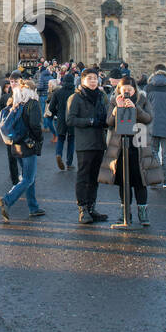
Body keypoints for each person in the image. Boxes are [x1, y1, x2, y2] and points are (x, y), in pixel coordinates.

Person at [98, 77, 161, 226]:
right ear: (119, 89)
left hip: (138, 145)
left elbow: (148, 118)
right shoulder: (114, 100)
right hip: (120, 145)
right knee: (123, 181)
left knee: (140, 180)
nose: (126, 91)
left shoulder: (142, 99)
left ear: (135, 89)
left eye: (129, 89)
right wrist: (115, 111)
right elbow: (108, 122)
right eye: (123, 89)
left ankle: (143, 213)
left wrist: (135, 108)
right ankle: (125, 212)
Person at [67, 67, 110, 224]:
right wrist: (90, 121)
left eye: (95, 78)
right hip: (84, 143)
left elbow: (105, 115)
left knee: (94, 177)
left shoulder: (101, 96)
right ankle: (82, 209)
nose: (93, 81)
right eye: (90, 78)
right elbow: (70, 120)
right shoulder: (76, 98)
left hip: (99, 142)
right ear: (83, 80)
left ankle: (92, 207)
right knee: (83, 177)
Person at [0, 78, 44, 220]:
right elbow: (35, 125)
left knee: (29, 177)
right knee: (28, 178)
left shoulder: (16, 102)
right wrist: (39, 138)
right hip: (28, 145)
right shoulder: (32, 103)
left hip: (16, 144)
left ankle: (33, 207)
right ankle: (7, 199)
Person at [47, 71, 76, 171]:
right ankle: (69, 162)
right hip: (72, 119)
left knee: (60, 138)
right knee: (71, 141)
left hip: (61, 118)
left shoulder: (58, 92)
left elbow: (51, 108)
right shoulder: (76, 93)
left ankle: (58, 154)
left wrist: (57, 113)